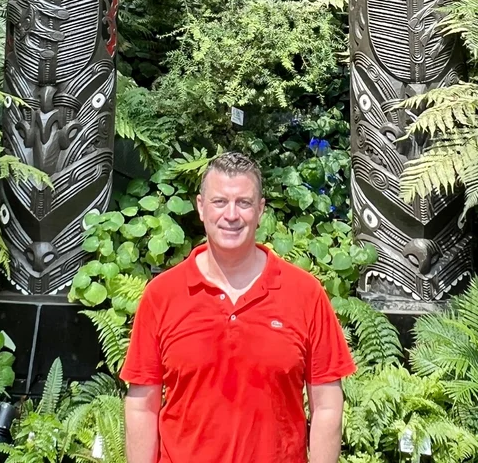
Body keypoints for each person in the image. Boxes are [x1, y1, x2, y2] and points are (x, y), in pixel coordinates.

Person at [121, 152, 355, 463]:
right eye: (219, 202)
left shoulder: (304, 293)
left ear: (260, 210)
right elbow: (141, 405)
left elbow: (327, 405)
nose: (231, 215)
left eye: (243, 203)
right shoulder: (162, 295)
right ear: (201, 207)